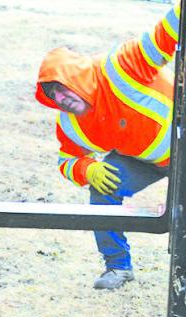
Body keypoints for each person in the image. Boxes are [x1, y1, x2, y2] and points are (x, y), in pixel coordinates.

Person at [35, 3, 179, 289]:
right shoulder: (69, 123)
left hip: (180, 142)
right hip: (143, 160)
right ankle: (118, 267)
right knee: (103, 188)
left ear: (77, 76)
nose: (61, 99)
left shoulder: (120, 67)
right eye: (53, 95)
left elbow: (165, 34)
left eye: (62, 87)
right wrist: (88, 170)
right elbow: (67, 160)